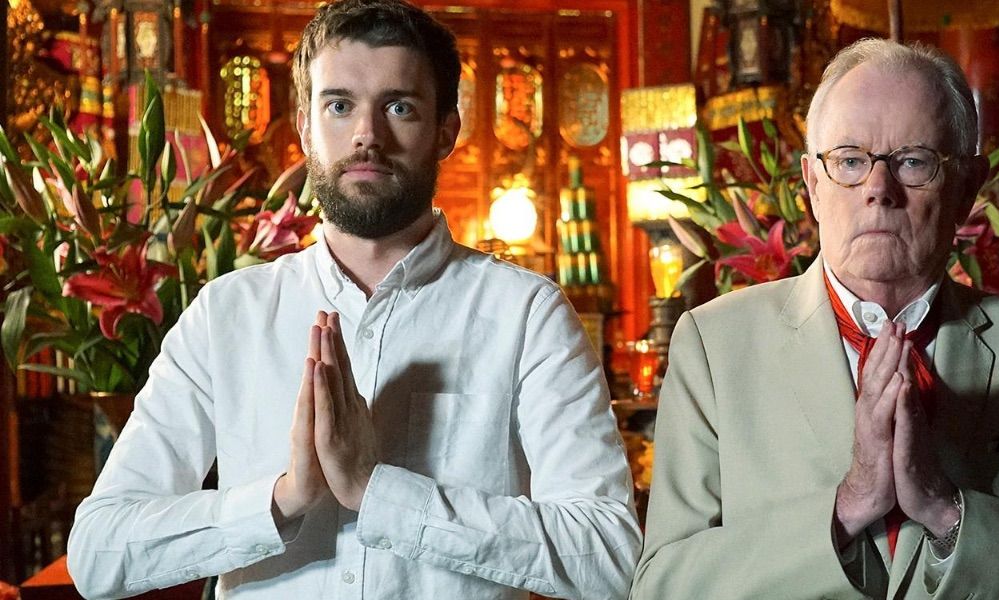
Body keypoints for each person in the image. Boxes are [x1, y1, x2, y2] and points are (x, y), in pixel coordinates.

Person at [66, 1, 641, 598]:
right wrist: (282, 500)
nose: (367, 134)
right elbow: (100, 553)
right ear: (304, 125)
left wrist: (377, 491)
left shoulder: (528, 315)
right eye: (339, 105)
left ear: (447, 130)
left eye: (400, 106)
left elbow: (608, 555)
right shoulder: (226, 315)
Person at [631, 39, 999, 599]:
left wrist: (949, 513)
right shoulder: (714, 347)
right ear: (813, 185)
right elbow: (662, 588)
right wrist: (848, 507)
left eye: (913, 161)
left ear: (967, 188)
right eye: (849, 160)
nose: (878, 190)